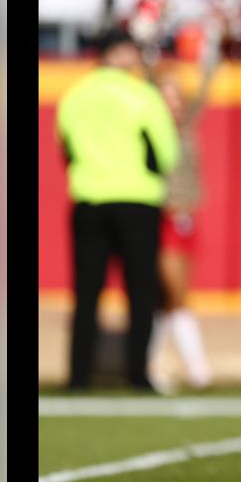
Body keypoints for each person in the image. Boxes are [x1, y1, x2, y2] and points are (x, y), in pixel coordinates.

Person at [57, 29, 181, 392]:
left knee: (86, 293)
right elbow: (166, 152)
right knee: (140, 291)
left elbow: (65, 149)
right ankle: (137, 374)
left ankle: (78, 376)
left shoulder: (75, 96)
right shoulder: (141, 95)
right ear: (123, 52)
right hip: (137, 200)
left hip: (88, 199)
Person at [148, 53, 218, 392]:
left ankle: (149, 364)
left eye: (176, 96)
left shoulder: (187, 126)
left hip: (187, 217)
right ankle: (197, 367)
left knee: (169, 299)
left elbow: (206, 83)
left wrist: (215, 42)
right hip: (164, 216)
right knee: (174, 296)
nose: (172, 103)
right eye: (165, 96)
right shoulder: (147, 127)